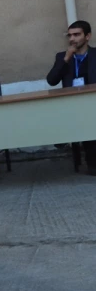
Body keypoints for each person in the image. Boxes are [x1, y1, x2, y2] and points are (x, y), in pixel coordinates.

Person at [47, 20, 96, 175]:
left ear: (87, 36)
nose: (72, 39)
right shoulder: (62, 56)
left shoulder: (95, 55)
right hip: (71, 105)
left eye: (77, 34)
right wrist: (66, 59)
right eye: (70, 35)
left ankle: (92, 163)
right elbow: (52, 80)